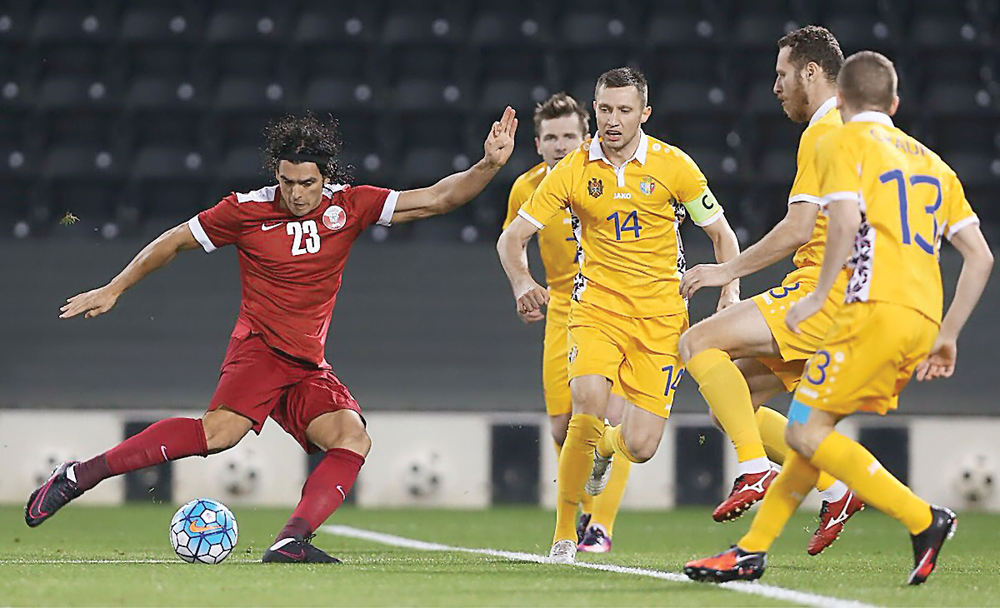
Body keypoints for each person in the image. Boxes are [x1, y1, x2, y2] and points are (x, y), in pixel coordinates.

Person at [26, 109, 519, 563]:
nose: (297, 193)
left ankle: (291, 541)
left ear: (325, 178)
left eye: (307, 183)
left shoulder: (350, 206)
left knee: (352, 437)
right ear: (276, 175)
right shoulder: (244, 211)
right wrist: (115, 288)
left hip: (307, 363)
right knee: (217, 435)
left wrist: (488, 165)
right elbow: (174, 240)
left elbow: (437, 199)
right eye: (287, 182)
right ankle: (78, 475)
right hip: (260, 349)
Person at [684, 51, 992, 585]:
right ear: (895, 102)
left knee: (775, 406)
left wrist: (817, 293)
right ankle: (753, 550)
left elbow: (839, 222)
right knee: (807, 430)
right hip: (921, 320)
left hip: (864, 307)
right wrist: (948, 336)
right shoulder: (933, 161)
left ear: (843, 99)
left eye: (781, 74)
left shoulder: (839, 140)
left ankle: (922, 517)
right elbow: (981, 256)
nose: (777, 85)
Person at [498, 67, 741, 563]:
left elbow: (723, 236)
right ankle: (565, 535)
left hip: (661, 319)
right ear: (597, 111)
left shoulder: (675, 167)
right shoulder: (570, 171)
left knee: (643, 444)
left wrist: (728, 286)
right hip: (597, 308)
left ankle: (606, 450)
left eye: (624, 110)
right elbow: (512, 237)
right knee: (584, 401)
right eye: (605, 109)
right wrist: (523, 281)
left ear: (644, 113)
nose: (613, 120)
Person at [677, 25, 861, 554]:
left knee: (696, 343)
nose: (775, 87)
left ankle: (754, 469)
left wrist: (723, 270)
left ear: (810, 72)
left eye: (782, 75)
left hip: (818, 295)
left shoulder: (824, 133)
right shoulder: (858, 130)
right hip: (851, 302)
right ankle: (837, 487)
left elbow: (798, 228)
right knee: (733, 399)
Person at [502, 92, 632, 553]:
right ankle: (578, 507)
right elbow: (512, 242)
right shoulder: (528, 188)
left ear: (587, 136)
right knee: (563, 426)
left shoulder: (612, 176)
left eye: (569, 136)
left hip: (614, 304)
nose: (561, 144)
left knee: (609, 415)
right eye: (551, 137)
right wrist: (522, 284)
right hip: (563, 307)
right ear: (538, 144)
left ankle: (601, 524)